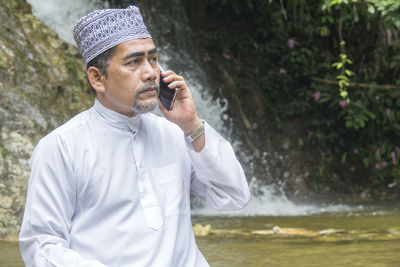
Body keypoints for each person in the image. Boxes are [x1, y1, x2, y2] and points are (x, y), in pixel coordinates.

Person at [19, 5, 250, 267]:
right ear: (97, 78)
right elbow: (41, 244)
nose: (151, 72)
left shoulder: (176, 133)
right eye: (134, 62)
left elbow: (234, 196)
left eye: (153, 59)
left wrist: (191, 124)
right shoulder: (62, 146)